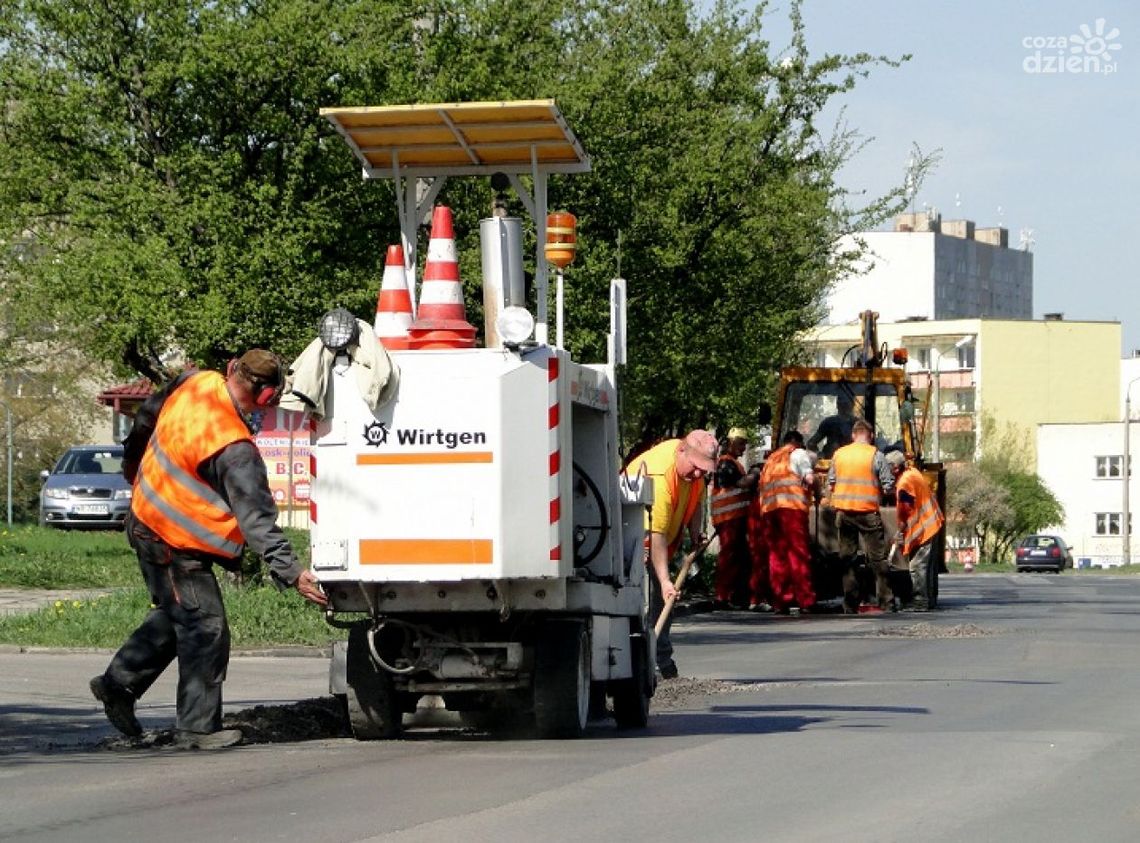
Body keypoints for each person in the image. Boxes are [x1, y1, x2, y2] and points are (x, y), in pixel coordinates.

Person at [89, 350, 328, 750]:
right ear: (268, 396)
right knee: (204, 626)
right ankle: (197, 729)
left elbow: (145, 417)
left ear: (231, 367)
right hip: (170, 540)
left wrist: (133, 469)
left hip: (147, 519)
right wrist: (292, 573)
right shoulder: (234, 448)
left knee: (180, 613)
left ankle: (117, 685)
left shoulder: (193, 383)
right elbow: (258, 521)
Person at [625, 430, 717, 679]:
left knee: (663, 598)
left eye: (704, 470)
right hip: (633, 539)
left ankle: (659, 657)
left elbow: (696, 501)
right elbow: (656, 535)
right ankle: (647, 661)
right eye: (696, 468)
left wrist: (696, 531)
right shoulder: (660, 476)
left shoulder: (692, 469)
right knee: (653, 596)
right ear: (682, 451)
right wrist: (666, 580)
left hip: (660, 539)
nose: (699, 474)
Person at [827, 419, 895, 612]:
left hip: (845, 513)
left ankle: (850, 604)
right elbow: (888, 485)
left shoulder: (839, 455)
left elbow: (831, 482)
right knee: (878, 560)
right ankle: (886, 602)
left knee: (847, 560)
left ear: (853, 435)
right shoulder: (876, 455)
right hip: (868, 514)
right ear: (871, 436)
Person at [758, 430, 817, 614]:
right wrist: (819, 491)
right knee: (798, 554)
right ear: (797, 442)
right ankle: (805, 600)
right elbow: (809, 478)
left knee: (777, 556)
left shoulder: (771, 460)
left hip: (769, 512)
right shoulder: (798, 453)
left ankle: (781, 600)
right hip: (791, 509)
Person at [885, 451, 944, 611]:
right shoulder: (913, 472)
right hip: (933, 522)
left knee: (917, 566)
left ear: (895, 468)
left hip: (923, 528)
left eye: (887, 468)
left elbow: (905, 510)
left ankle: (920, 602)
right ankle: (929, 600)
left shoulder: (904, 485)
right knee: (928, 567)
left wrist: (900, 532)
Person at [711, 428, 758, 609]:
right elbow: (743, 483)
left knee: (737, 558)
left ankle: (734, 596)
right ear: (731, 443)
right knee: (729, 558)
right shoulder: (725, 463)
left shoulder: (732, 464)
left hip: (735, 518)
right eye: (741, 443)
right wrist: (755, 473)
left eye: (745, 444)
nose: (744, 448)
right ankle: (723, 596)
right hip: (728, 518)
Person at [807, 393, 857, 460]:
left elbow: (811, 443)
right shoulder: (829, 422)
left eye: (846, 404)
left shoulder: (858, 424)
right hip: (831, 462)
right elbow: (811, 443)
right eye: (842, 404)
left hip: (851, 462)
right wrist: (820, 455)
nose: (845, 407)